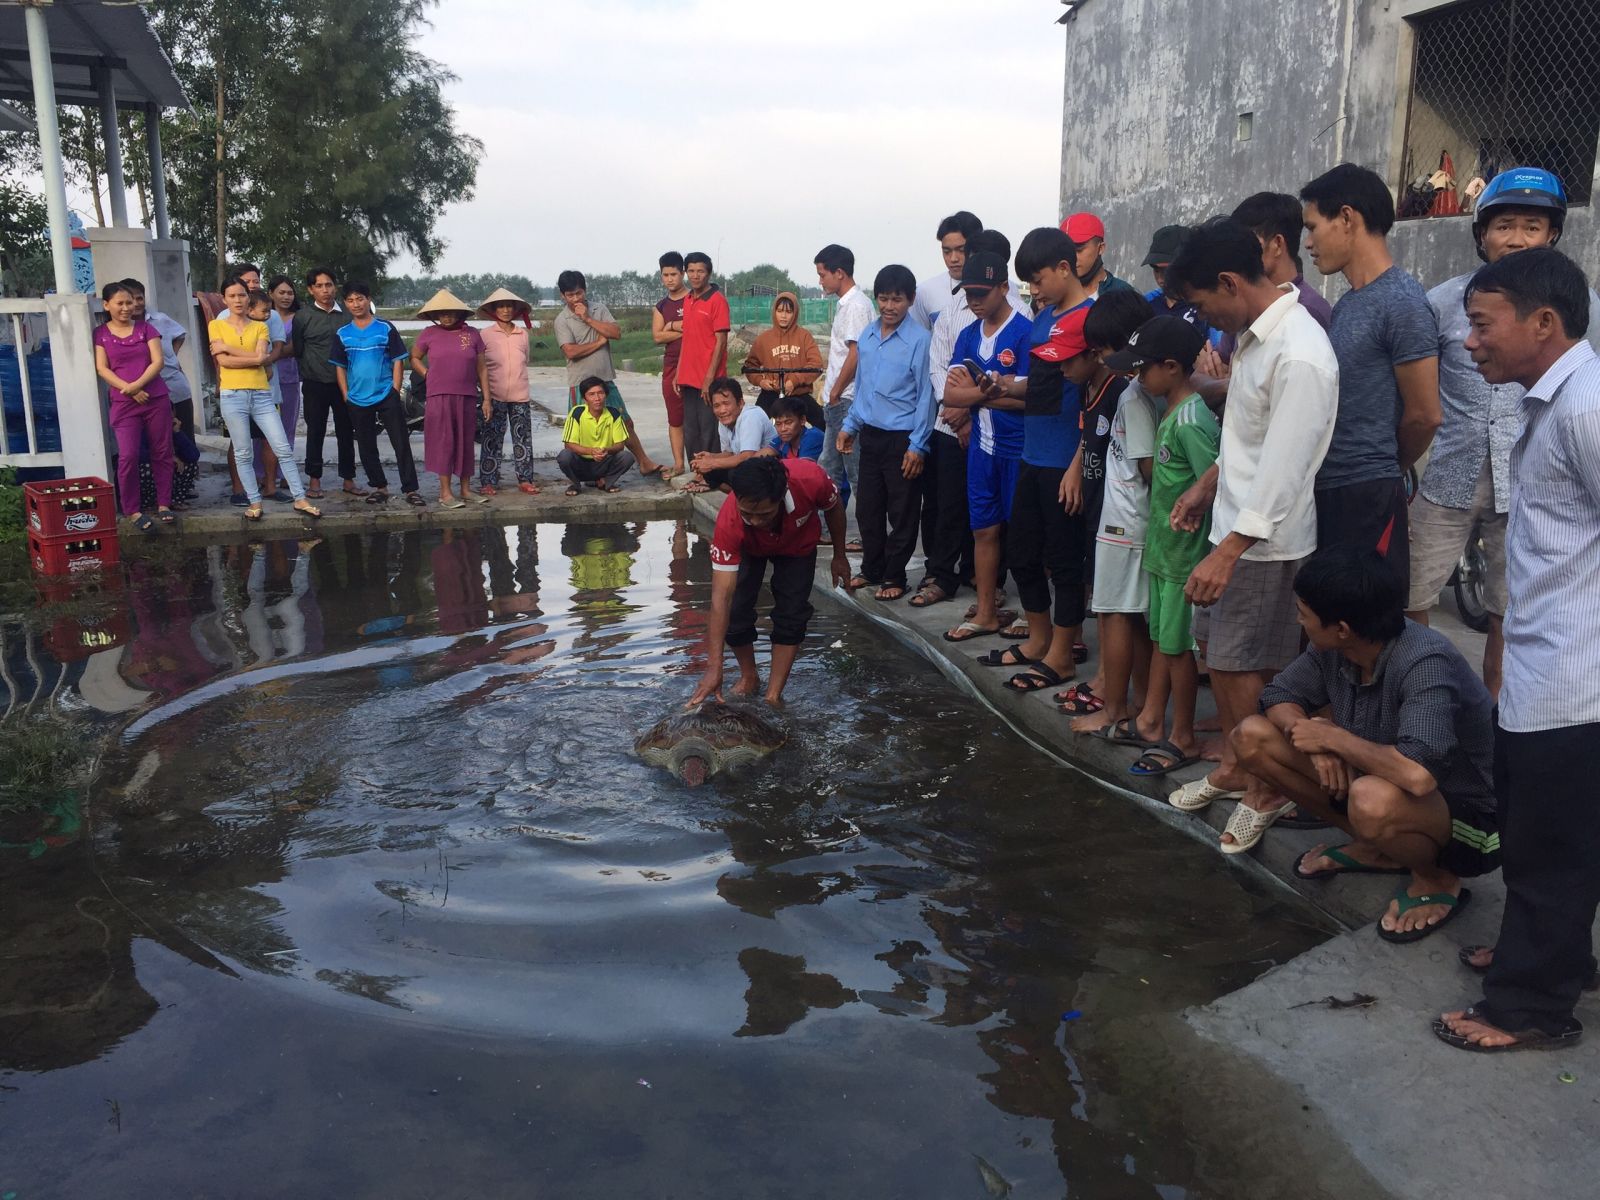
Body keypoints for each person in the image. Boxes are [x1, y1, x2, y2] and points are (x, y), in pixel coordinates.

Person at [1437, 247, 1600, 1053]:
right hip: (1543, 668)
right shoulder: (1550, 403)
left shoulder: (1584, 412)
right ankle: (1557, 956)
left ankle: (1531, 1008)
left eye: (1481, 325)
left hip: (1577, 678)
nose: (1470, 344)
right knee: (1546, 834)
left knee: (1549, 849)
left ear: (1544, 322)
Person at [1160, 218, 1337, 854]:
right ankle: (1239, 766)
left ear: (1231, 282)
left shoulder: (1300, 352)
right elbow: (1249, 435)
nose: (1204, 317)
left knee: (1245, 665)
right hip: (1233, 525)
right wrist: (1208, 485)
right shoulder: (1257, 339)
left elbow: (1288, 470)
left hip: (1267, 542)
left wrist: (1231, 551)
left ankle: (1266, 787)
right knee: (1223, 657)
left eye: (1204, 302)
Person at [1233, 547, 1497, 944]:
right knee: (1252, 738)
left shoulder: (1424, 661)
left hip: (1476, 821)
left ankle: (1438, 878)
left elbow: (1418, 774)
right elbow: (1278, 696)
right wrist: (1315, 743)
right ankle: (1379, 849)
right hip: (1389, 783)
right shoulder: (1336, 649)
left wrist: (1333, 737)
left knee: (1371, 798)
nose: (1298, 619)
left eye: (1304, 613)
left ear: (1341, 628)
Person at [1407, 168, 1600, 699]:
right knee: (1410, 592)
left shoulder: (1579, 304)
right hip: (1449, 474)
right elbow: (1417, 389)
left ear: (1553, 235)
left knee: (1509, 610)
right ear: (1482, 234)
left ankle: (1496, 714)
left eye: (1532, 227)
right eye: (1505, 226)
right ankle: (1428, 701)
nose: (1516, 238)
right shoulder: (1443, 302)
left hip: (1534, 481)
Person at [1300, 163, 1441, 580]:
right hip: (1332, 490)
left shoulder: (1402, 302)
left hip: (1366, 496)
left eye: (1312, 227)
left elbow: (1425, 414)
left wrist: (1382, 470)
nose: (1308, 243)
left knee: (1362, 633)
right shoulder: (1348, 304)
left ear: (1347, 218)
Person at [974, 226, 1093, 695]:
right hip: (1031, 453)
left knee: (1064, 562)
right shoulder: (1044, 321)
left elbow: (1101, 398)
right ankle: (1039, 640)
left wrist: (1078, 464)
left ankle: (1062, 655)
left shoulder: (1091, 318)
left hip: (1065, 460)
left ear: (1065, 268)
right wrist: (1004, 385)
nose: (1034, 291)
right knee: (1022, 554)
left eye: (1039, 280)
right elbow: (1043, 385)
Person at [1107, 316, 1216, 776]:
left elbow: (1215, 480)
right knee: (1161, 640)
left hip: (1184, 557)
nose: (1137, 378)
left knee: (1177, 648)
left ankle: (1183, 735)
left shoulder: (1191, 420)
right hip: (1165, 551)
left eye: (1142, 369)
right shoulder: (1170, 411)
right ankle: (1152, 719)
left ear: (1171, 368)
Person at [1064, 293, 1163, 733]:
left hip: (1125, 521)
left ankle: (1115, 708)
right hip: (1131, 519)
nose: (1102, 360)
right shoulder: (1145, 392)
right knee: (1134, 615)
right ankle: (1138, 704)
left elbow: (1147, 466)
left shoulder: (1134, 396)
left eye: (1105, 351)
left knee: (1115, 614)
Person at [690, 455, 850, 709]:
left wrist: (840, 555)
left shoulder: (810, 478)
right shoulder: (730, 522)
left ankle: (773, 694)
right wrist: (714, 666)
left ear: (781, 497)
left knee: (792, 613)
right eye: (748, 514)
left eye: (764, 514)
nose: (755, 521)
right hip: (749, 548)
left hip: (798, 545)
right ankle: (749, 676)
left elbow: (834, 508)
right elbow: (721, 598)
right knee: (736, 611)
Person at [940, 249, 1034, 642]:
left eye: (982, 293)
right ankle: (986, 612)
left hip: (1019, 448)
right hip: (982, 448)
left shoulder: (1024, 332)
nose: (974, 301)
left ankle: (1033, 613)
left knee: (1027, 535)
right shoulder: (966, 335)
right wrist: (992, 393)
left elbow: (1034, 398)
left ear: (1003, 288)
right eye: (969, 294)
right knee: (984, 530)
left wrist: (977, 394)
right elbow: (950, 396)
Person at [838, 264, 935, 602]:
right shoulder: (866, 335)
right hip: (871, 435)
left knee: (903, 511)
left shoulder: (920, 341)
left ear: (910, 300)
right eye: (884, 299)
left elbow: (926, 395)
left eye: (897, 299)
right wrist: (850, 426)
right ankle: (872, 568)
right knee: (868, 508)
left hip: (904, 438)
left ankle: (895, 575)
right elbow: (863, 387)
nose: (890, 307)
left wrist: (918, 446)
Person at [909, 212, 983, 610]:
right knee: (942, 502)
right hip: (944, 418)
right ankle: (940, 572)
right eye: (947, 250)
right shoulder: (934, 295)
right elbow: (935, 358)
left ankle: (979, 572)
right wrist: (951, 404)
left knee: (981, 502)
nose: (954, 258)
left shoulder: (1007, 305)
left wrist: (970, 409)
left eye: (960, 250)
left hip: (986, 422)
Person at [210, 274, 319, 520]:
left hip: (262, 394)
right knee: (243, 451)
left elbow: (262, 357)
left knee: (282, 446)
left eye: (241, 295)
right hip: (232, 395)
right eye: (232, 296)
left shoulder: (260, 325)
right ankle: (254, 502)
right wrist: (243, 358)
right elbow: (223, 362)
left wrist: (228, 348)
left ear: (248, 298)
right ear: (224, 299)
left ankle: (300, 498)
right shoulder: (216, 325)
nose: (237, 300)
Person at [554, 269, 661, 477]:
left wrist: (588, 319)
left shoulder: (598, 309)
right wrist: (599, 342)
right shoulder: (562, 320)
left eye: (578, 293)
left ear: (584, 291)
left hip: (605, 380)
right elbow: (571, 352)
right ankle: (590, 474)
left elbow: (616, 333)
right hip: (580, 383)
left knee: (624, 421)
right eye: (570, 295)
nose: (575, 298)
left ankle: (644, 461)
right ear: (562, 296)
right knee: (583, 429)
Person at [330, 281, 420, 508]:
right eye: (350, 300)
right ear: (345, 304)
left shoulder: (385, 328)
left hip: (385, 394)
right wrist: (345, 394)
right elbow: (340, 366)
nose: (356, 304)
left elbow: (398, 359)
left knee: (400, 442)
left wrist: (394, 389)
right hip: (357, 398)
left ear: (368, 299)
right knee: (366, 445)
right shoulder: (343, 334)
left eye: (360, 298)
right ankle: (379, 487)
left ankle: (410, 489)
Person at [94, 280, 174, 531]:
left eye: (130, 302)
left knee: (162, 451)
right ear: (107, 305)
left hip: (155, 398)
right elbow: (102, 368)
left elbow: (157, 362)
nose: (126, 307)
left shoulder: (146, 329)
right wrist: (128, 390)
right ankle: (132, 509)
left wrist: (137, 385)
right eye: (120, 303)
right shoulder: (101, 334)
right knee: (128, 455)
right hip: (124, 403)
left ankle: (164, 504)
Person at [410, 288, 490, 509]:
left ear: (459, 313)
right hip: (438, 396)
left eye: (451, 312)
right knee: (444, 442)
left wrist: (486, 399)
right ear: (435, 314)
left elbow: (482, 368)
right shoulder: (429, 333)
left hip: (467, 395)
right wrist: (427, 374)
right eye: (442, 313)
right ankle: (445, 493)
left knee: (465, 441)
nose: (447, 316)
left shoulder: (472, 334)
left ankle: (465, 489)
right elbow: (414, 357)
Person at [123, 277, 198, 508]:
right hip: (143, 393)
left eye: (139, 298)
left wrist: (171, 358)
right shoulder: (119, 327)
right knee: (153, 444)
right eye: (130, 299)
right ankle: (156, 493)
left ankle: (183, 487)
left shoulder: (160, 320)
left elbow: (181, 334)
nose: (135, 304)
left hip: (173, 385)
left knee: (181, 437)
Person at [815, 243, 874, 516]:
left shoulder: (856, 306)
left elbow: (856, 352)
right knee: (829, 468)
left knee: (854, 471)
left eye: (822, 274)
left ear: (839, 273)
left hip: (847, 400)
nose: (820, 280)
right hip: (838, 400)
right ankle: (827, 529)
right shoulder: (846, 304)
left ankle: (867, 534)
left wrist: (837, 391)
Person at [292, 265, 360, 499]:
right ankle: (314, 481)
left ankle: (349, 480)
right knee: (315, 432)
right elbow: (299, 350)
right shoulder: (302, 317)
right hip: (314, 384)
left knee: (345, 431)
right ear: (311, 290)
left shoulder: (347, 315)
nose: (325, 290)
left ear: (335, 287)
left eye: (329, 285)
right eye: (319, 286)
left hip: (344, 384)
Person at [474, 286, 538, 496]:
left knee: (523, 439)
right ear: (494, 310)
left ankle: (525, 479)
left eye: (509, 306)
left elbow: (525, 361)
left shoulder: (522, 334)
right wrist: (486, 397)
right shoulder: (485, 335)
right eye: (501, 306)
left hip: (520, 395)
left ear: (515, 310)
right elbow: (480, 366)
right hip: (494, 396)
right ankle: (489, 481)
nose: (505, 310)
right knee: (492, 438)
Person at [677, 252, 732, 471]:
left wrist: (710, 377)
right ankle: (696, 471)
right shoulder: (688, 299)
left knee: (709, 429)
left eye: (700, 271)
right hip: (688, 377)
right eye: (691, 270)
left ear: (708, 273)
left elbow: (721, 341)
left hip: (710, 379)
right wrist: (678, 371)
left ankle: (710, 473)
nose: (695, 275)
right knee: (691, 429)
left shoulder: (717, 300)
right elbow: (687, 339)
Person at [742, 292, 824, 427]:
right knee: (753, 423)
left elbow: (816, 364)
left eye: (788, 312)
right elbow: (750, 366)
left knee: (823, 423)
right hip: (770, 394)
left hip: (797, 393)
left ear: (795, 313)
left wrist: (794, 381)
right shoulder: (763, 339)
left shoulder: (804, 336)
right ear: (774, 312)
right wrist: (761, 381)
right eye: (780, 311)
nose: (784, 316)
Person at [690, 377, 778, 488]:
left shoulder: (751, 416)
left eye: (726, 403)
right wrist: (711, 457)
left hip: (771, 469)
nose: (722, 410)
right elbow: (732, 453)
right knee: (711, 473)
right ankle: (739, 498)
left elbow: (747, 457)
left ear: (740, 403)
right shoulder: (724, 420)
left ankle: (750, 500)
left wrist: (711, 463)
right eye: (716, 406)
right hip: (751, 466)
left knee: (734, 474)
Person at [558, 376, 636, 495]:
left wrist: (606, 450)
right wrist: (590, 451)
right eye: (592, 394)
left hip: (604, 461)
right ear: (584, 398)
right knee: (564, 456)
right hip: (581, 463)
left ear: (606, 395)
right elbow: (569, 444)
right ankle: (575, 484)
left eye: (600, 393)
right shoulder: (576, 413)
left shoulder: (613, 413)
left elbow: (620, 445)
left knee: (627, 457)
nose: (597, 398)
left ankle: (606, 481)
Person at [653, 252, 689, 478]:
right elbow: (657, 337)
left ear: (682, 273)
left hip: (694, 364)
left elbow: (696, 332)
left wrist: (669, 327)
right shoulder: (661, 306)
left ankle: (702, 464)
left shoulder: (694, 299)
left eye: (673, 274)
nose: (669, 279)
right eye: (665, 275)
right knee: (675, 417)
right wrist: (678, 326)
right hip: (671, 365)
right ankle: (679, 464)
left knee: (697, 418)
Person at [267, 274, 303, 451]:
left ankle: (283, 474)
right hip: (263, 379)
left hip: (289, 378)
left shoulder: (299, 318)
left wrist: (268, 356)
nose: (286, 297)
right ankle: (261, 473)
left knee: (286, 426)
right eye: (281, 292)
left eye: (290, 293)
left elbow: (297, 346)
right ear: (271, 293)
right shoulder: (260, 317)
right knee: (263, 429)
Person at [1061, 212, 1135, 298]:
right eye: (1065, 251)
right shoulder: (1053, 297)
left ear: (1100, 248)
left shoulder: (1125, 296)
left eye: (1079, 250)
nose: (1071, 257)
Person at [767, 394, 824, 461]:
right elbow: (756, 458)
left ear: (802, 420)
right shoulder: (782, 439)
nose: (783, 429)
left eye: (788, 422)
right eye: (778, 424)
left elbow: (801, 468)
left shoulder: (813, 437)